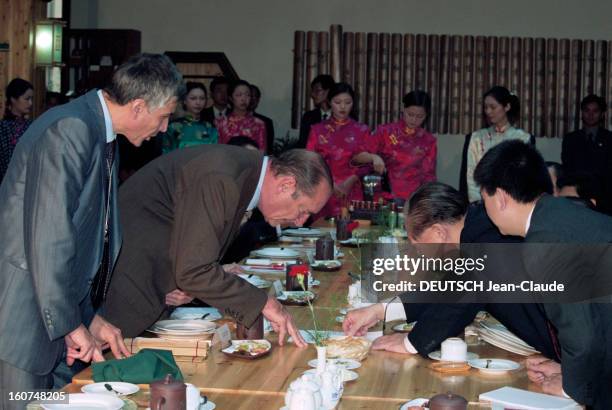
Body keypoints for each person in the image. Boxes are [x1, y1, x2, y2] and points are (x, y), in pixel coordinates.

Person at [0, 53, 183, 407]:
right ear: (139, 107)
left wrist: (88, 318)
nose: (163, 128)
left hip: (49, 319)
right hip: (21, 324)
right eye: (163, 118)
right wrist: (71, 323)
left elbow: (84, 243)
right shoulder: (72, 129)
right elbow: (49, 240)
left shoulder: (97, 129)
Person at [100, 147, 332, 348]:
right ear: (286, 185)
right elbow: (193, 271)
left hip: (149, 287)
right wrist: (263, 302)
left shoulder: (241, 171)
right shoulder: (222, 177)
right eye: (303, 210)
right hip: (123, 296)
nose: (301, 221)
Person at [343, 182, 556, 360]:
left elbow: (457, 300)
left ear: (438, 233)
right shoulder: (477, 227)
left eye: (417, 244)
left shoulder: (483, 241)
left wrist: (410, 343)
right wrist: (379, 311)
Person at [474, 139, 612, 409]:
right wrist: (570, 372)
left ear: (500, 197)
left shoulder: (543, 242)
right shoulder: (560, 214)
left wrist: (572, 388)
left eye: (484, 198)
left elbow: (582, 334)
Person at [352, 90, 437, 205]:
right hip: (383, 197)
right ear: (403, 109)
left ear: (426, 115)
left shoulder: (428, 141)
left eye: (419, 116)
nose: (413, 120)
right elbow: (356, 158)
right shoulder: (385, 132)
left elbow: (428, 176)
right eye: (410, 114)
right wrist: (373, 157)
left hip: (412, 199)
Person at [306, 82, 374, 218]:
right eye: (338, 102)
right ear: (330, 102)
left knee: (352, 232)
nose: (343, 107)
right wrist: (332, 184)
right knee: (323, 233)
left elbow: (367, 163)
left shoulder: (362, 130)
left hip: (352, 190)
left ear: (353, 103)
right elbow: (310, 161)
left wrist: (349, 182)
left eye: (347, 102)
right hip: (324, 190)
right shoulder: (317, 130)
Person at [465, 86, 532, 202]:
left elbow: (523, 177)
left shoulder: (523, 138)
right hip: (481, 201)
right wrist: (476, 203)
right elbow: (471, 174)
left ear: (507, 107)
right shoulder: (476, 137)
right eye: (486, 107)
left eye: (493, 107)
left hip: (511, 201)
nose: (488, 111)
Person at [562, 94, 612, 215]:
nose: (590, 115)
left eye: (595, 111)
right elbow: (568, 168)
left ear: (602, 114)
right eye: (587, 110)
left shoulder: (610, 139)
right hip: (576, 195)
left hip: (605, 197)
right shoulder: (570, 139)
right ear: (582, 113)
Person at [161, 81, 218, 153]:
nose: (198, 102)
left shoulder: (210, 128)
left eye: (202, 98)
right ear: (184, 100)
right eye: (193, 98)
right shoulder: (173, 127)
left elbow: (214, 154)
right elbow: (166, 154)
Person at [216, 80, 267, 152]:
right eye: (239, 95)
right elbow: (218, 150)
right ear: (231, 98)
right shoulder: (221, 122)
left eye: (247, 95)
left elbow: (262, 152)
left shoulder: (258, 123)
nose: (243, 99)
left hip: (252, 162)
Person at [0, 78, 33, 182]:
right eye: (27, 99)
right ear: (13, 99)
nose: (30, 103)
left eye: (31, 99)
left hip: (27, 182)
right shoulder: (2, 128)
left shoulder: (32, 126)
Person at [297, 74, 335, 148]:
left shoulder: (342, 116)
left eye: (317, 90)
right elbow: (303, 144)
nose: (312, 95)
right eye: (312, 91)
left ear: (328, 91)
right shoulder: (308, 117)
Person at [249, 84, 275, 154]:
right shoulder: (229, 121)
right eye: (250, 96)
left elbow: (269, 149)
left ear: (258, 100)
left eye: (255, 97)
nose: (252, 100)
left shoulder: (266, 122)